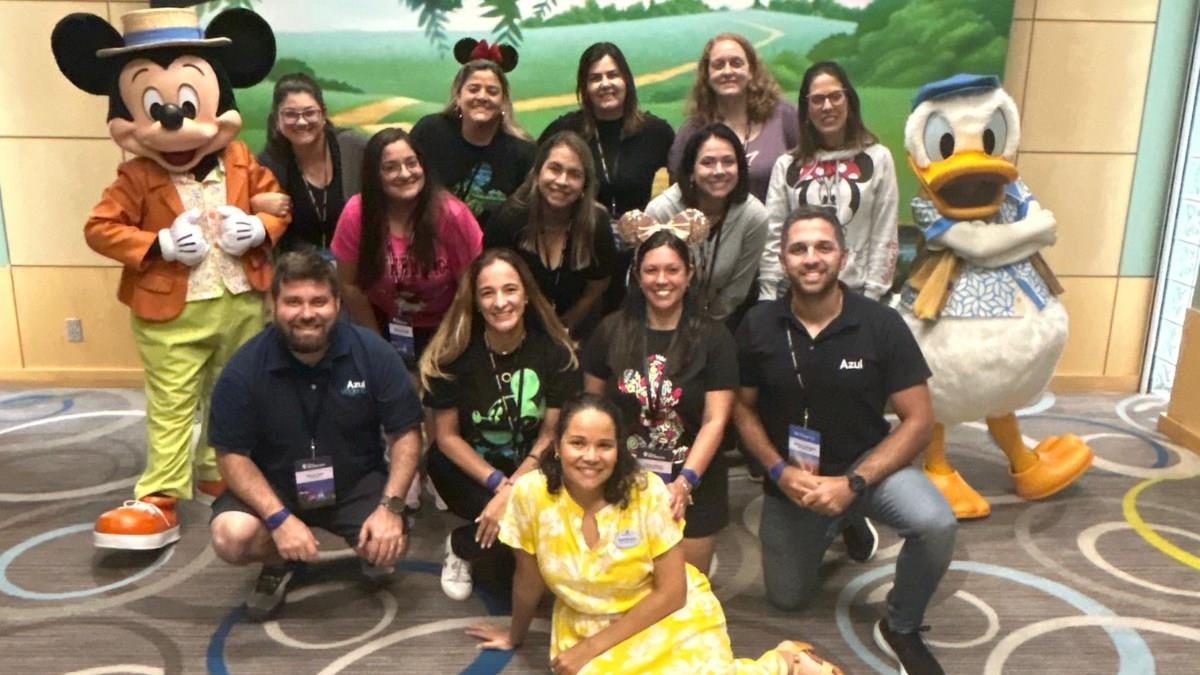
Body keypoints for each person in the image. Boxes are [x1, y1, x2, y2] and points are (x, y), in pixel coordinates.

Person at [466, 394, 843, 675]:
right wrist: (514, 635)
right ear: (558, 446)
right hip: (585, 620)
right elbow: (528, 579)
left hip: (661, 611)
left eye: (604, 445)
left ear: (619, 450)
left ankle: (786, 662)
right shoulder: (530, 495)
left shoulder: (647, 493)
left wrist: (590, 649)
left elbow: (672, 593)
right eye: (578, 443)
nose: (591, 456)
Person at [733, 206, 957, 675]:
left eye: (823, 247)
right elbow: (742, 408)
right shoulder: (758, 324)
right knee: (787, 598)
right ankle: (844, 522)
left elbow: (919, 421)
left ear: (843, 256)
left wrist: (853, 483)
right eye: (798, 249)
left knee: (935, 524)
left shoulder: (881, 324)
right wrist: (778, 471)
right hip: (794, 478)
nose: (811, 258)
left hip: (868, 467)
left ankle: (901, 625)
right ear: (783, 259)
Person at [207, 249, 424, 621]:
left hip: (355, 481)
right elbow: (231, 454)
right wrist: (278, 519)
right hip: (275, 486)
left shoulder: (374, 353)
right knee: (231, 537)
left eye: (318, 301)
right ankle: (279, 559)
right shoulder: (243, 368)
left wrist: (391, 508)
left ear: (337, 304)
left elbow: (406, 433)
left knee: (392, 541)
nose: (307, 313)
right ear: (273, 305)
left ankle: (368, 545)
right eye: (293, 302)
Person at [419, 249, 579, 601]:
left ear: (526, 295)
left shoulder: (553, 353)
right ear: (476, 302)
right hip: (468, 469)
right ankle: (464, 549)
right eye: (488, 293)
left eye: (510, 290)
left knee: (532, 533)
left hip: (534, 465)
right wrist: (497, 485)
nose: (500, 302)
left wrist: (513, 491)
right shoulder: (453, 354)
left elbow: (551, 434)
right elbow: (446, 438)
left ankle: (462, 541)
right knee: (516, 535)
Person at [581, 223, 736, 576]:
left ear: (689, 274)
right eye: (651, 270)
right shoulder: (610, 331)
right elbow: (591, 411)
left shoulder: (715, 337)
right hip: (621, 477)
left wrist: (685, 482)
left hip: (693, 479)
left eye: (672, 270)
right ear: (637, 276)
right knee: (620, 582)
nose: (661, 280)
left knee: (686, 588)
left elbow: (716, 420)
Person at [540, 42, 675, 317]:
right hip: (582, 255)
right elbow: (537, 181)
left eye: (613, 75)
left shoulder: (656, 132)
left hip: (637, 256)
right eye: (595, 78)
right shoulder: (566, 130)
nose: (605, 84)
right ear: (584, 88)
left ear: (627, 81)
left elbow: (680, 189)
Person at [331, 127, 483, 366]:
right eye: (390, 167)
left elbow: (469, 288)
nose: (405, 174)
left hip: (447, 326)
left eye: (411, 163)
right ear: (374, 175)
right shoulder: (356, 213)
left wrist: (444, 343)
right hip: (382, 322)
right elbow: (349, 285)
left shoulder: (452, 215)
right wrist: (377, 345)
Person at [760, 62, 898, 302]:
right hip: (799, 295)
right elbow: (774, 234)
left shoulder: (878, 159)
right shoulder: (787, 165)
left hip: (860, 295)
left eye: (835, 96)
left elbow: (884, 233)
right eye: (817, 99)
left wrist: (873, 297)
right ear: (806, 108)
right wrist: (768, 297)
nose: (827, 106)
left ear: (849, 101)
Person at [484, 131, 615, 339]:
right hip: (515, 325)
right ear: (537, 173)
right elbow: (491, 282)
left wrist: (566, 326)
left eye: (574, 174)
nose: (562, 181)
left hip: (577, 327)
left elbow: (598, 284)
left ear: (585, 185)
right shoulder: (508, 220)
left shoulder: (596, 223)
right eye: (555, 168)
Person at [645, 123, 767, 327]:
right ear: (691, 172)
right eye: (708, 162)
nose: (719, 171)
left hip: (723, 322)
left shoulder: (754, 216)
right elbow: (647, 279)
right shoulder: (661, 211)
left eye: (728, 161)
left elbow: (737, 290)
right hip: (660, 318)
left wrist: (706, 331)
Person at [410, 47, 535, 230]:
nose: (482, 97)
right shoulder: (430, 132)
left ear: (503, 102)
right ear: (458, 97)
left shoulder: (524, 153)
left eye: (492, 91)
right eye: (473, 89)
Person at [670, 33, 798, 202]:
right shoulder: (692, 130)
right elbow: (678, 193)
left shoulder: (783, 116)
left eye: (736, 63)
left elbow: (807, 174)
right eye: (718, 65)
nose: (728, 71)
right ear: (707, 75)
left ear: (751, 70)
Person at [254, 72, 367, 255]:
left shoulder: (353, 147)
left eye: (309, 112)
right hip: (298, 266)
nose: (301, 121)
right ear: (277, 119)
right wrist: (254, 204)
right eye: (290, 114)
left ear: (323, 114)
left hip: (356, 260)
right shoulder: (268, 163)